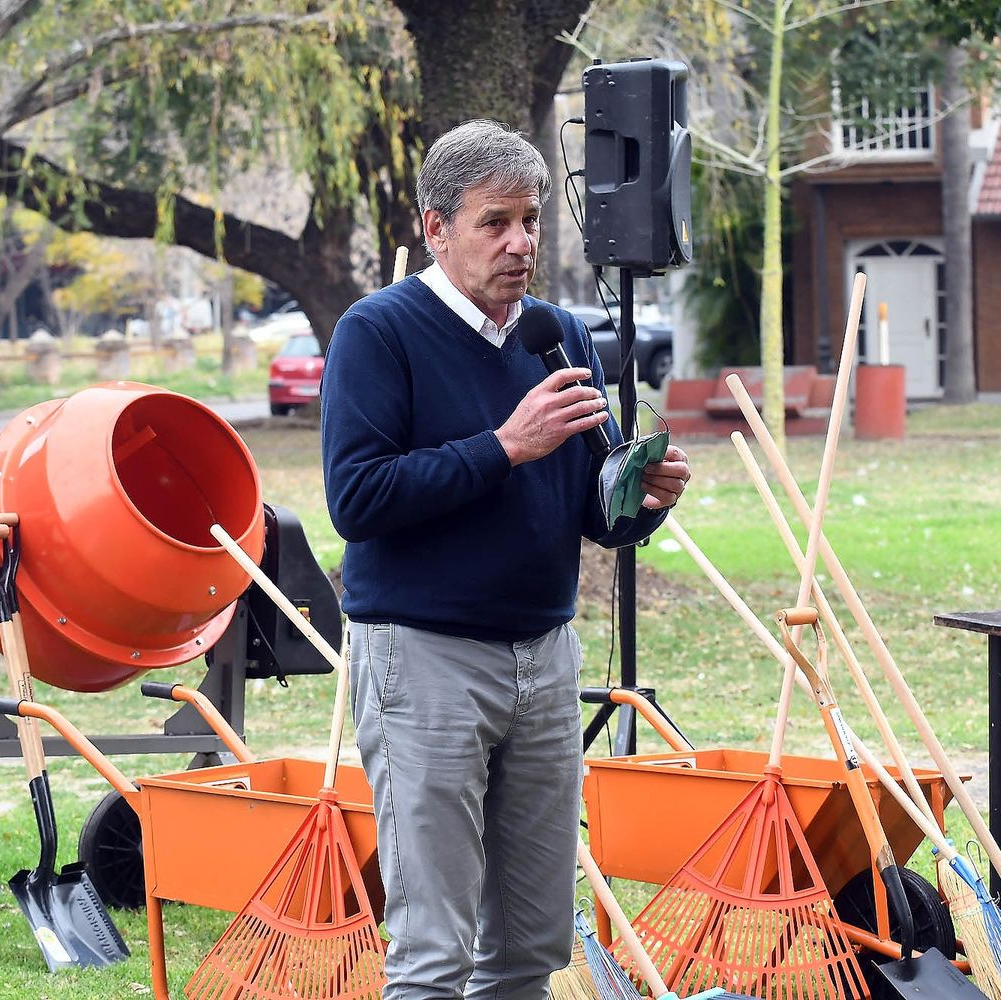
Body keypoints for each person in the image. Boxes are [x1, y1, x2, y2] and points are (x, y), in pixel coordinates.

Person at [320, 119, 690, 1000]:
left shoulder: (559, 333)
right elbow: (358, 501)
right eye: (495, 222)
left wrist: (642, 502)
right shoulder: (378, 332)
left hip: (544, 658)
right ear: (435, 228)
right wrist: (504, 447)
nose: (520, 242)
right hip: (425, 660)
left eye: (530, 220)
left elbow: (594, 515)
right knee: (433, 950)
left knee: (531, 945)